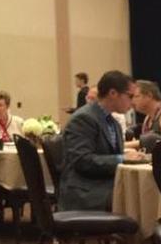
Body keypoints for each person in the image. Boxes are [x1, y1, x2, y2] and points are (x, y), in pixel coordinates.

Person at [59, 70, 141, 213]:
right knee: (138, 199)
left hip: (104, 184)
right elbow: (82, 161)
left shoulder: (112, 122)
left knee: (143, 193)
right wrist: (122, 158)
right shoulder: (84, 119)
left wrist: (127, 156)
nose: (133, 102)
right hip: (86, 191)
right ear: (113, 93)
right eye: (130, 96)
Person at [126, 80, 161, 151]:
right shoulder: (148, 117)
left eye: (136, 96)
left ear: (149, 96)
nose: (132, 101)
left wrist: (124, 146)